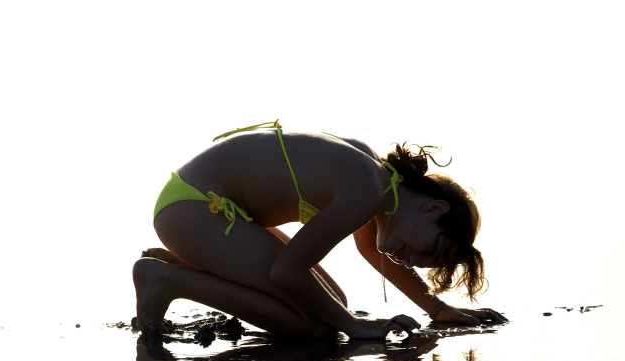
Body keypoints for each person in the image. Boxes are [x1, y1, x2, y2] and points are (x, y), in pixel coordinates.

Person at [134, 120, 507, 339]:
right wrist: (357, 329)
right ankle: (166, 280)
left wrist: (436, 308)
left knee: (332, 307)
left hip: (200, 210)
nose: (414, 260)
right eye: (428, 251)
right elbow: (287, 271)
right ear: (433, 208)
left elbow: (368, 252)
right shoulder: (366, 189)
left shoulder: (376, 181)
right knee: (317, 326)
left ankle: (183, 264)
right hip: (197, 208)